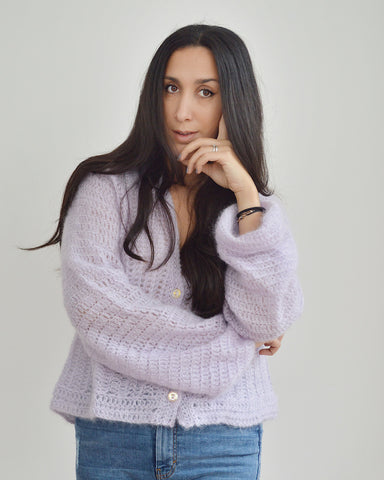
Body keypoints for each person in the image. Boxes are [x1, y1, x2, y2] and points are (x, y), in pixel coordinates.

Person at [23, 23, 304, 480]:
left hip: (222, 442)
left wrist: (245, 193)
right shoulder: (103, 191)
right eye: (170, 87)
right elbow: (98, 315)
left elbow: (266, 321)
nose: (182, 111)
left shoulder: (254, 210)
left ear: (234, 104)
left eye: (206, 92)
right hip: (117, 437)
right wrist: (236, 347)